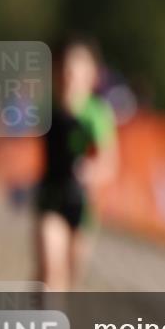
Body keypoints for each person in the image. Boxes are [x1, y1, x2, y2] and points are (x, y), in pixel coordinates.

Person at [34, 37, 118, 291]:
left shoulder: (97, 113)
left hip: (83, 206)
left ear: (92, 74)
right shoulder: (46, 109)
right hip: (50, 198)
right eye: (65, 68)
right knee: (51, 269)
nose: (69, 75)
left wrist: (92, 171)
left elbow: (110, 162)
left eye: (77, 68)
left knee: (69, 278)